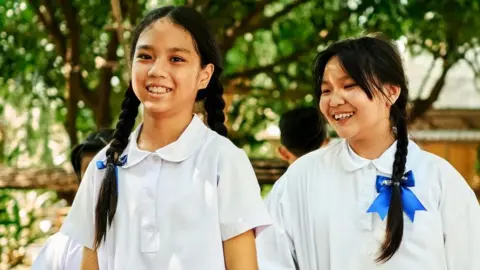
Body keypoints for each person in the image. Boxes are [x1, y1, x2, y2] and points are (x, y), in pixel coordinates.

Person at [60, 6, 271, 270]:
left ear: (204, 75)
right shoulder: (103, 165)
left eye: (176, 59)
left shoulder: (224, 162)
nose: (157, 70)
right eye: (146, 56)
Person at [256, 35, 480, 269]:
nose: (334, 100)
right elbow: (267, 257)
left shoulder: (439, 179)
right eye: (326, 90)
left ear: (391, 92)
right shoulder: (301, 177)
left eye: (349, 85)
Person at [32, 129, 114, 270]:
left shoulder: (150, 244)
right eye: (89, 171)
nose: (98, 177)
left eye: (107, 168)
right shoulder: (60, 248)